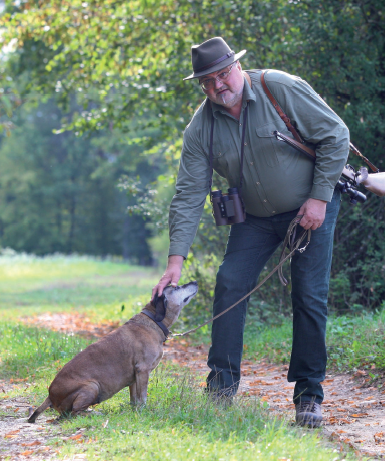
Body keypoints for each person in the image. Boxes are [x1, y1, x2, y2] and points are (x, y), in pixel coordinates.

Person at [152, 37, 349, 427]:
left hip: (308, 207)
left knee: (309, 295)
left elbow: (335, 134)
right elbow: (189, 193)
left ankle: (309, 395)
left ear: (236, 67)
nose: (216, 87)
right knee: (229, 282)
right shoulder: (200, 128)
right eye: (206, 82)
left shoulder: (280, 88)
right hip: (254, 219)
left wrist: (319, 199)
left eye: (222, 75)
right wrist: (176, 261)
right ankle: (221, 389)